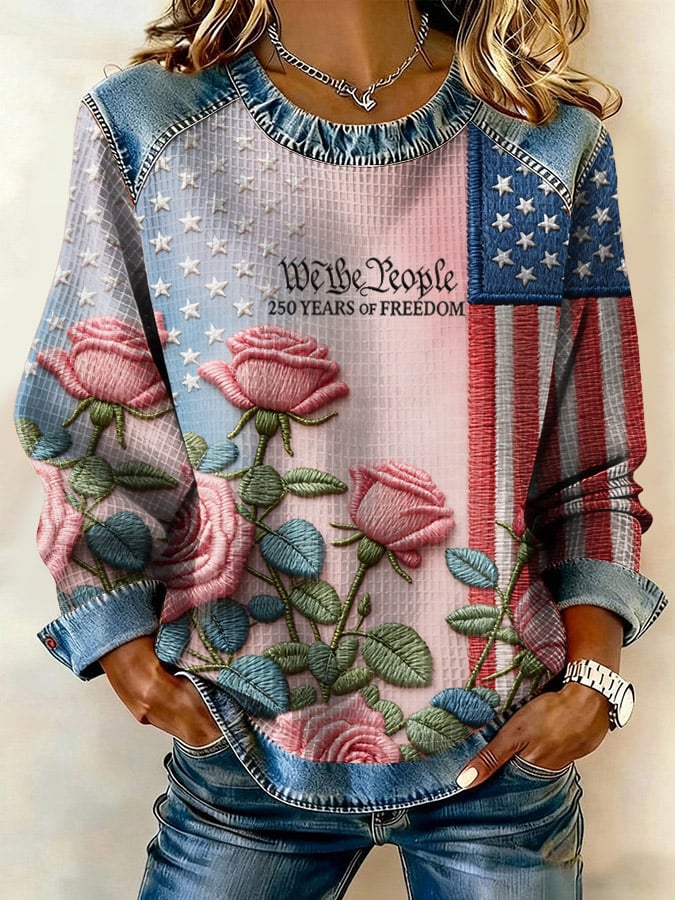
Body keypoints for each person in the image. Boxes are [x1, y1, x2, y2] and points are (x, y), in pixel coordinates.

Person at [14, 0, 667, 896]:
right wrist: (122, 647)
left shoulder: (541, 146)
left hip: (502, 752)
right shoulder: (152, 129)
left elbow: (589, 459)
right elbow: (94, 410)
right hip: (241, 741)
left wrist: (593, 683)